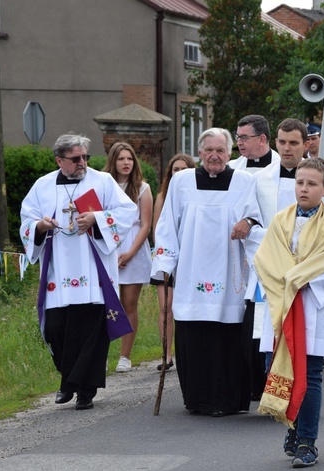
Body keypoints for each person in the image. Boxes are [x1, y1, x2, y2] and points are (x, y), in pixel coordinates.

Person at [20, 133, 135, 410]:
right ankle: (68, 380)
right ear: (59, 160)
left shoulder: (103, 181)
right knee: (57, 330)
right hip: (57, 275)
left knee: (91, 334)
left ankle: (84, 391)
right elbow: (27, 219)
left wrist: (97, 218)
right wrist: (40, 226)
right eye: (75, 158)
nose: (82, 162)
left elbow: (127, 213)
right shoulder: (42, 186)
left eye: (85, 157)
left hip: (93, 272)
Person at [151, 128, 262, 416]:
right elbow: (167, 226)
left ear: (229, 153)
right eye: (209, 150)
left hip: (230, 270)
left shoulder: (245, 181)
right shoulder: (181, 181)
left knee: (227, 336)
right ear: (199, 153)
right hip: (191, 271)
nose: (214, 155)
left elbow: (256, 217)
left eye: (221, 150)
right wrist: (164, 265)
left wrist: (248, 222)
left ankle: (228, 400)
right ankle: (197, 399)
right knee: (195, 334)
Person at [256, 157, 324, 468]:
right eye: (300, 182)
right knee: (282, 369)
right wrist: (285, 279)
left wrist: (304, 279)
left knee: (310, 376)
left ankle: (307, 442)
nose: (304, 188)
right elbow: (264, 260)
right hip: (284, 308)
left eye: (312, 184)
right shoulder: (281, 220)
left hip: (312, 307)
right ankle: (293, 427)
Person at [229, 114, 280, 399]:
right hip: (236, 258)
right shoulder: (232, 169)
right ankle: (242, 383)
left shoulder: (280, 170)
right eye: (237, 138)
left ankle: (268, 384)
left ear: (262, 139)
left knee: (260, 324)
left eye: (244, 138)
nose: (239, 144)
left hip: (268, 259)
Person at [102, 142, 152, 373]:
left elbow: (145, 225)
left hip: (133, 248)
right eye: (121, 159)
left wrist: (131, 253)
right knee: (102, 304)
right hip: (108, 248)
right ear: (114, 161)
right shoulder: (103, 186)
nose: (126, 163)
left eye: (129, 159)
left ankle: (125, 356)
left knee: (128, 304)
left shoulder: (142, 188)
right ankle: (99, 353)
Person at [151, 153, 194, 370]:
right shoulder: (163, 196)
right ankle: (166, 354)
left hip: (189, 258)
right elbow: (159, 228)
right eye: (175, 170)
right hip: (166, 256)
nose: (179, 173)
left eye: (183, 169)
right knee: (165, 306)